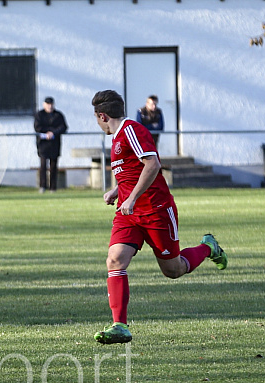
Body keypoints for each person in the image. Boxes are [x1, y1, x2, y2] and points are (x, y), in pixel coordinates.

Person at [91, 90, 227, 344]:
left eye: (96, 119)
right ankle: (120, 325)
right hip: (129, 214)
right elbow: (133, 171)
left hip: (156, 210)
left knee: (173, 270)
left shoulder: (132, 130)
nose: (97, 124)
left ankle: (208, 247)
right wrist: (118, 191)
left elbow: (152, 165)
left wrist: (131, 198)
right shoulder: (118, 137)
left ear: (102, 115)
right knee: (115, 259)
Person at [34, 97, 68, 193]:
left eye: (51, 104)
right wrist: (47, 132)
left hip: (54, 144)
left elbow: (63, 127)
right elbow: (37, 127)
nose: (50, 106)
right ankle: (42, 186)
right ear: (44, 104)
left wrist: (53, 133)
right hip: (43, 145)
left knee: (53, 166)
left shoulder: (58, 115)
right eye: (48, 104)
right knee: (43, 165)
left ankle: (53, 187)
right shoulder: (39, 115)